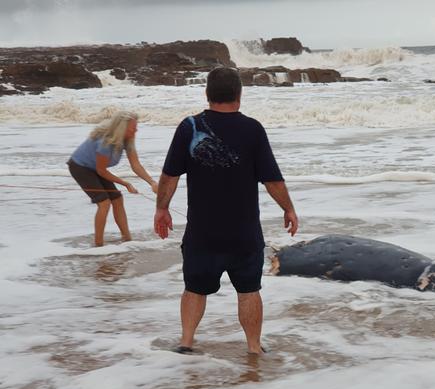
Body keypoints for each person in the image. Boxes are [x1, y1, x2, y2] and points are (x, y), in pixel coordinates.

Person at [154, 67, 298, 355]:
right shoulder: (252, 129)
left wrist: (162, 209)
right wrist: (289, 209)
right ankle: (254, 347)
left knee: (194, 288)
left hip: (202, 232)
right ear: (239, 95)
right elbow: (272, 179)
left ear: (207, 94)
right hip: (243, 232)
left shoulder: (189, 127)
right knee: (248, 291)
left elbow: (170, 175)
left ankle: (186, 342)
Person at [67, 111, 158, 246]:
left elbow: (136, 165)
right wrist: (125, 183)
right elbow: (101, 170)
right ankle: (98, 245)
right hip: (80, 167)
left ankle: (127, 239)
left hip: (95, 168)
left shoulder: (128, 140)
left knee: (117, 199)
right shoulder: (105, 142)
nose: (136, 129)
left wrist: (152, 182)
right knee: (104, 203)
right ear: (123, 128)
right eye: (133, 127)